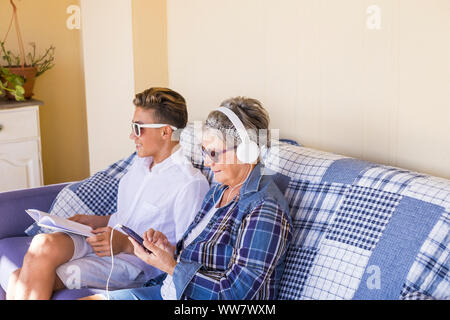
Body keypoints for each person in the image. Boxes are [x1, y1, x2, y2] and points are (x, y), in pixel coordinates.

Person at [6, 88, 210, 300]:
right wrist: (92, 220)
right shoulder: (139, 165)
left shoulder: (189, 184)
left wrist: (124, 244)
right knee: (42, 244)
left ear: (166, 132)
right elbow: (126, 217)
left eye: (138, 128)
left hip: (132, 264)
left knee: (19, 277)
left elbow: (188, 254)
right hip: (104, 238)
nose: (132, 135)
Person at [83, 96, 292, 300]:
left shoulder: (264, 208)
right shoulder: (220, 191)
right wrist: (169, 251)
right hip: (169, 291)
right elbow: (200, 257)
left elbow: (234, 293)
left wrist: (171, 266)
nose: (207, 163)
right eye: (204, 151)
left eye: (214, 153)